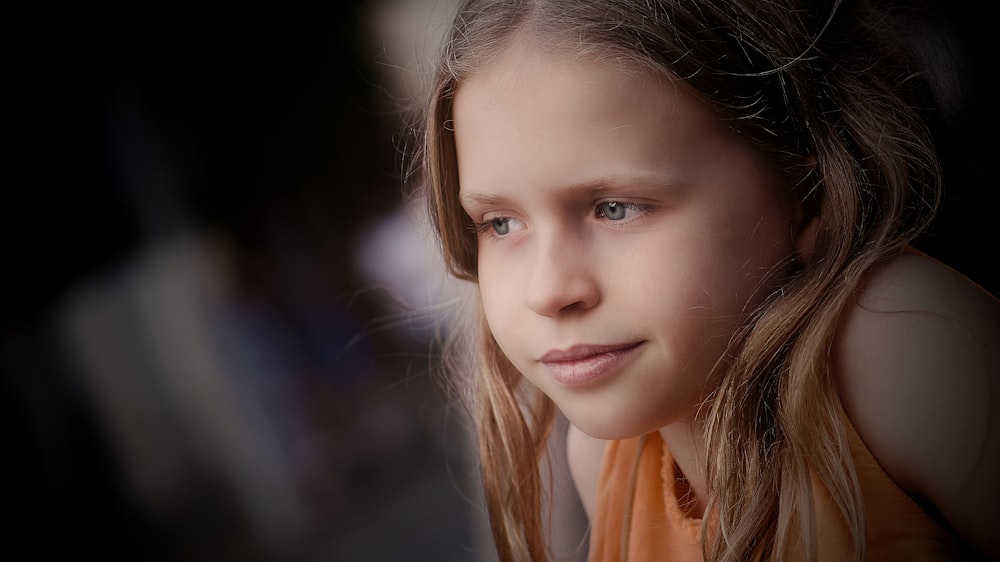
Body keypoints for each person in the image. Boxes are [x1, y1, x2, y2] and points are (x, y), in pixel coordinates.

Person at [405, 0, 1000, 560]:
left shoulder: (902, 347)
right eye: (500, 223)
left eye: (616, 207)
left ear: (805, 191)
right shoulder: (608, 459)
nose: (548, 291)